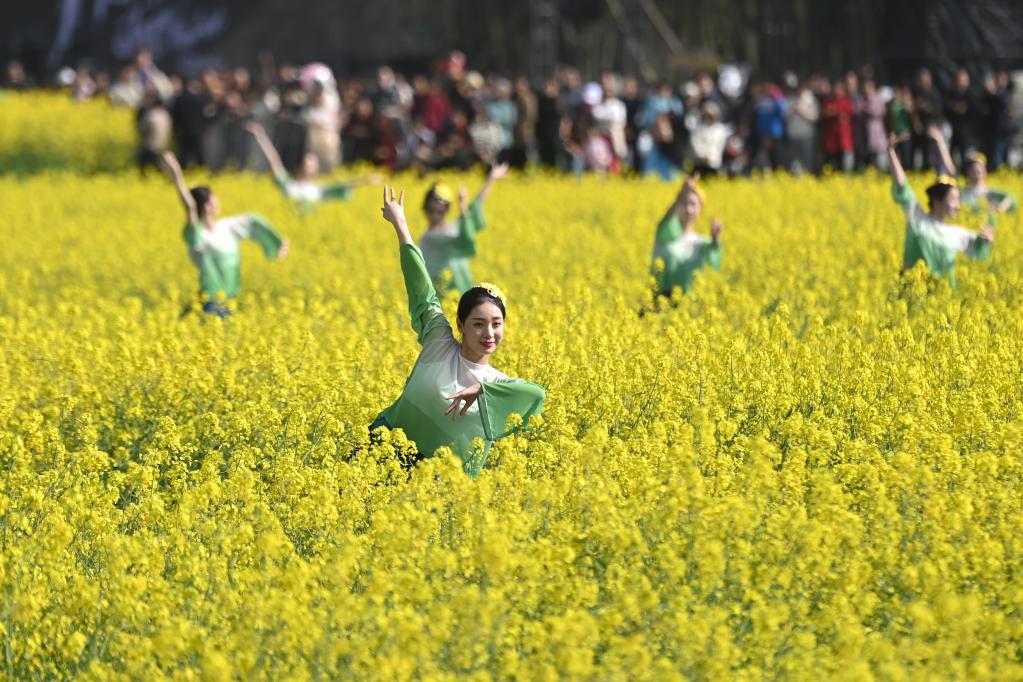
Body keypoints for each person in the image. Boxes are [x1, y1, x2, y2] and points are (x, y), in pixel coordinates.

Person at [372, 186, 546, 476]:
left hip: (438, 482)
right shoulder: (438, 340)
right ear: (460, 325)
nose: (488, 333)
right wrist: (401, 226)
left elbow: (537, 396)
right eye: (478, 324)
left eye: (496, 324)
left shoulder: (498, 384)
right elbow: (421, 288)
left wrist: (483, 389)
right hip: (383, 450)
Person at [161, 151, 289, 316]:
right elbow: (191, 209)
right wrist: (177, 178)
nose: (218, 201)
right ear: (207, 207)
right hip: (210, 304)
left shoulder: (227, 227)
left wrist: (278, 243)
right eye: (214, 199)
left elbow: (253, 221)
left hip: (230, 302)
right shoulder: (199, 238)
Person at [887, 133, 993, 289]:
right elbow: (904, 188)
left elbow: (978, 248)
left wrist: (986, 240)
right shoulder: (919, 221)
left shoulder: (956, 233)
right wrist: (891, 153)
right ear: (937, 201)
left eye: (958, 200)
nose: (957, 205)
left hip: (941, 301)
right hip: (912, 293)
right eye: (953, 200)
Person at [246, 122, 379, 215]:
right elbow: (274, 161)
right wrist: (261, 136)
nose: (309, 166)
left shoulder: (318, 190)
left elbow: (344, 186)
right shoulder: (288, 184)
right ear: (299, 165)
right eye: (307, 162)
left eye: (313, 164)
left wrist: (366, 180)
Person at [419, 163, 508, 295]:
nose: (435, 215)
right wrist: (462, 208)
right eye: (431, 210)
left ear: (447, 211)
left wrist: (491, 178)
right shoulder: (428, 238)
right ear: (424, 210)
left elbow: (474, 208)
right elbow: (465, 240)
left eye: (440, 211)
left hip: (463, 295)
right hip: (443, 299)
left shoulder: (453, 229)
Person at [651, 174, 723, 297]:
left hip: (687, 302)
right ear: (677, 205)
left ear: (700, 209)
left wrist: (715, 238)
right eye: (684, 203)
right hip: (659, 299)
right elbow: (667, 220)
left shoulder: (701, 243)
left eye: (693, 204)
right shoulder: (666, 234)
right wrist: (682, 194)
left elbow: (713, 255)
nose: (688, 209)